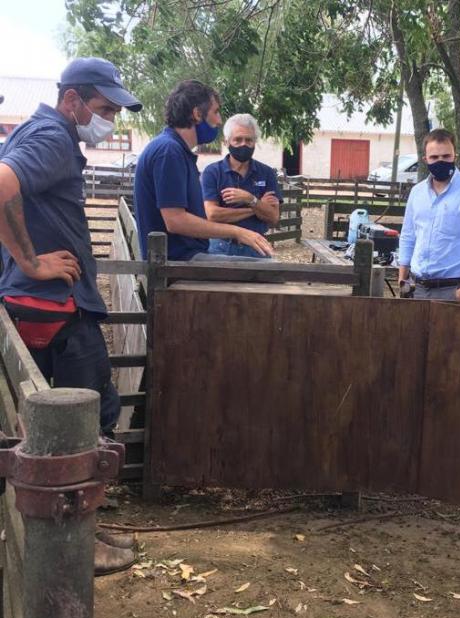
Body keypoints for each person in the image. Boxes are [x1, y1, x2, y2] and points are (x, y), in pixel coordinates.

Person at [0, 57, 140, 575]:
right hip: (54, 306)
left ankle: (76, 533)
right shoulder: (54, 137)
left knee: (47, 426)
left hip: (39, 302)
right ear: (73, 99)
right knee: (91, 420)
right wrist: (30, 261)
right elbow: (2, 185)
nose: (108, 119)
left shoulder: (40, 131)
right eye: (103, 108)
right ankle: (76, 546)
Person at [134, 81, 273, 261]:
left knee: (268, 266)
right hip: (177, 264)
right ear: (197, 114)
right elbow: (175, 221)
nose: (219, 120)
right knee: (270, 271)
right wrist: (238, 232)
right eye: (215, 112)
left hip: (185, 257)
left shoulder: (175, 149)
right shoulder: (169, 151)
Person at [397, 128, 460, 303]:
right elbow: (408, 236)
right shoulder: (417, 193)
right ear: (425, 160)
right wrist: (402, 278)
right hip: (417, 290)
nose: (440, 161)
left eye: (446, 156)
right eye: (434, 157)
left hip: (454, 292)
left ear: (455, 156)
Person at [202, 114, 282, 259]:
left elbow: (273, 217)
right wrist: (257, 206)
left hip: (257, 248)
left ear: (254, 142)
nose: (243, 144)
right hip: (219, 247)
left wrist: (250, 198)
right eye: (237, 140)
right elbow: (212, 215)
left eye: (248, 140)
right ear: (227, 142)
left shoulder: (267, 173)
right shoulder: (212, 172)